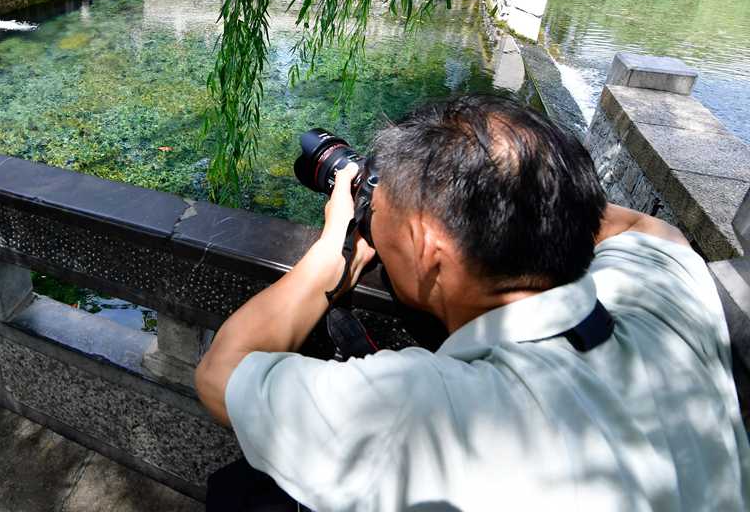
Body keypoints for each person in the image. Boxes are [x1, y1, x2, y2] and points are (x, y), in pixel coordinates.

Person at [195, 95, 750, 512]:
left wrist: (329, 252)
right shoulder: (665, 303)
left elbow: (222, 377)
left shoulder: (430, 410)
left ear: (427, 250)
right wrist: (520, 197)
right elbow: (650, 228)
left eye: (379, 205)